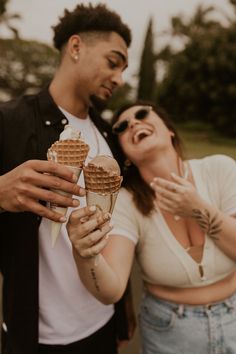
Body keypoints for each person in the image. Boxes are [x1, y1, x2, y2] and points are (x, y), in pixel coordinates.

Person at [0, 4, 136, 354]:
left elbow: (119, 227)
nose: (119, 78)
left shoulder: (109, 136)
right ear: (76, 47)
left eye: (124, 69)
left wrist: (121, 315)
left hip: (102, 323)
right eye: (113, 61)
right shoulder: (9, 121)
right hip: (38, 336)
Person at [67, 101, 236, 354]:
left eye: (143, 114)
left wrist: (198, 209)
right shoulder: (125, 202)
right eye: (122, 126)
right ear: (124, 154)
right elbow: (111, 290)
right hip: (168, 332)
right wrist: (85, 255)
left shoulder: (220, 169)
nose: (133, 123)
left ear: (169, 130)